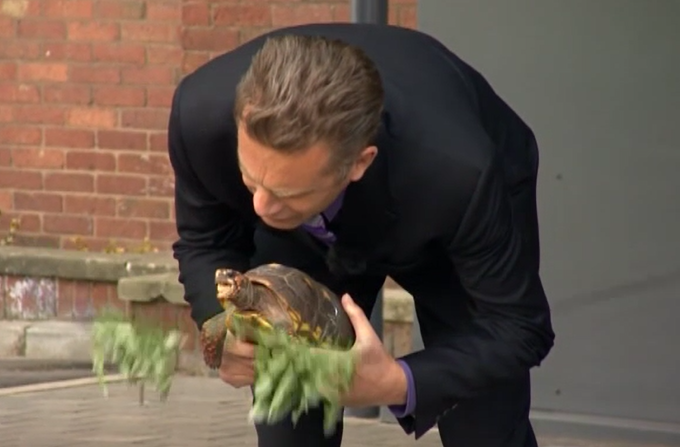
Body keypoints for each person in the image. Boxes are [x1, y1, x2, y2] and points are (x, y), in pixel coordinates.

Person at [167, 22, 555, 447]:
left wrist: (396, 382)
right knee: (288, 416)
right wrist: (221, 332)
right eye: (249, 178)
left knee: (485, 428)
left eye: (286, 191)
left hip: (442, 226)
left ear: (358, 162)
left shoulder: (462, 173)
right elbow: (206, 242)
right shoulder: (199, 118)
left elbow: (519, 326)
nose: (260, 207)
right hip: (303, 237)